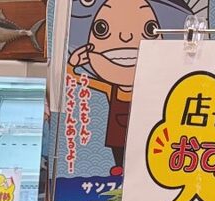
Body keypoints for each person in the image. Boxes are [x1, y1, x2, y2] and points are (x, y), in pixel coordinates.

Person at [68, 0, 162, 176]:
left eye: (149, 29)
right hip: (117, 136)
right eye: (102, 29)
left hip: (140, 136)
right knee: (118, 146)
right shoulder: (110, 89)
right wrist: (72, 64)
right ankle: (119, 166)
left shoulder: (148, 89)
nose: (126, 37)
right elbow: (73, 77)